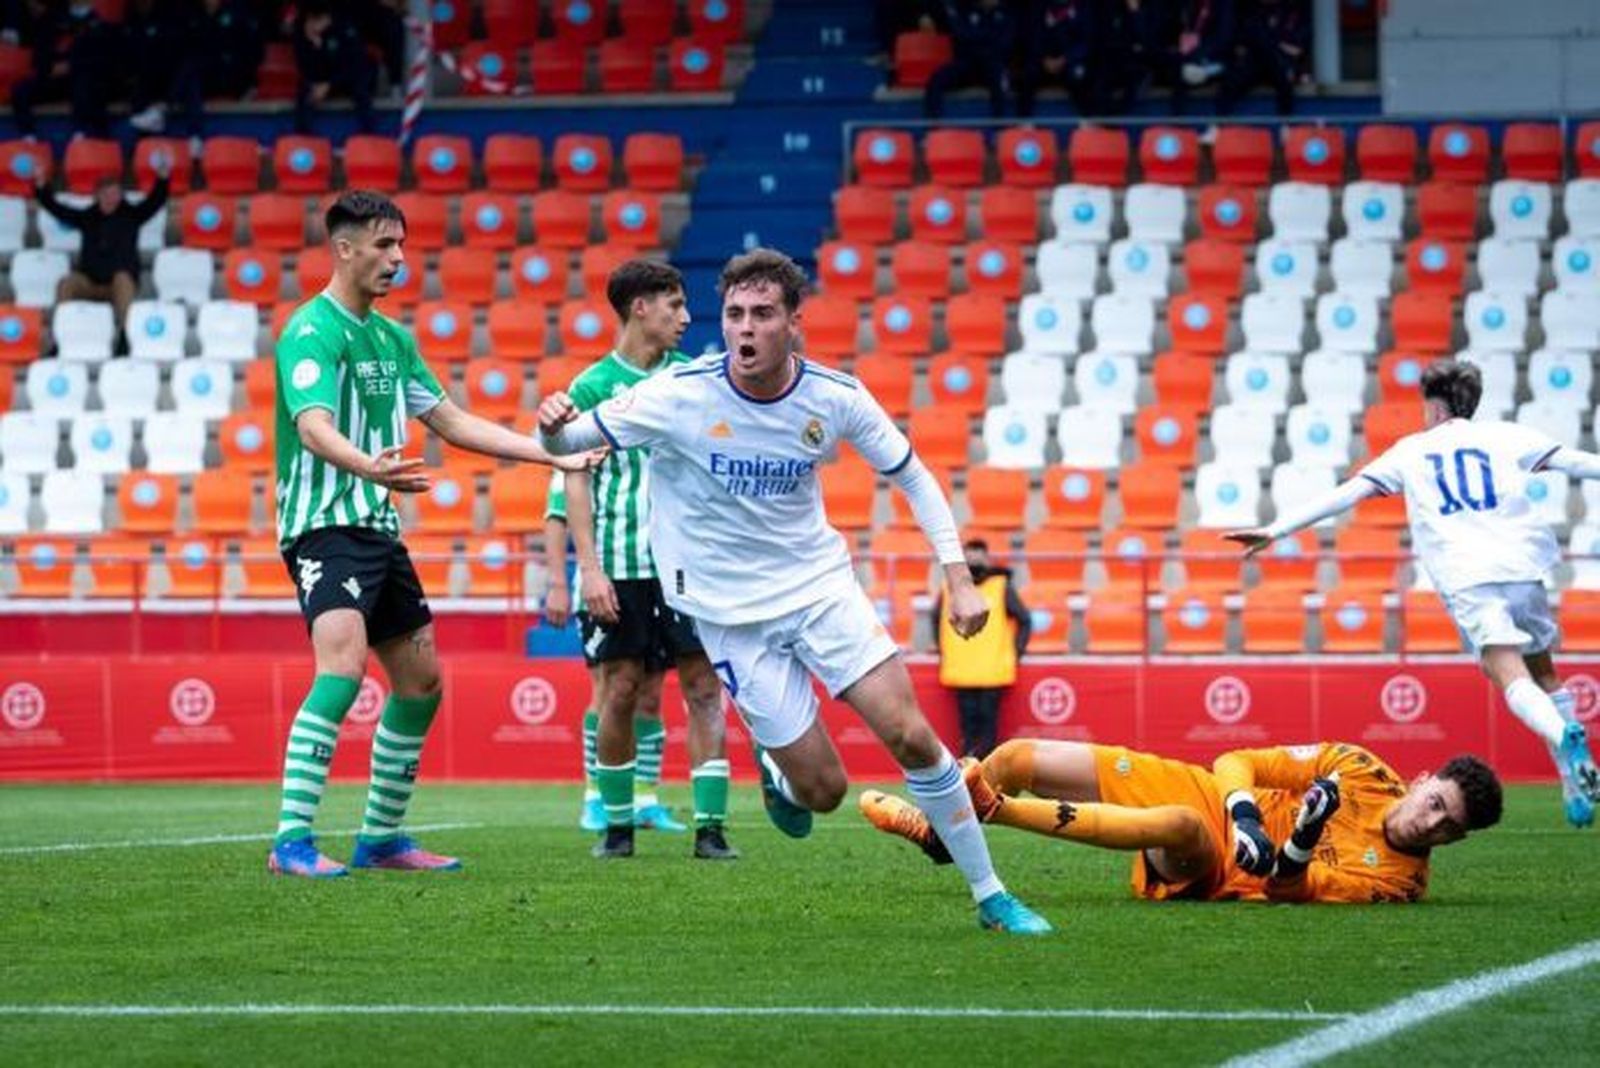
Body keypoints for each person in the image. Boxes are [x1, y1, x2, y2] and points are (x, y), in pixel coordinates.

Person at [538, 248, 1052, 933]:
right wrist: (552, 423)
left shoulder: (833, 397)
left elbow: (915, 477)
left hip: (817, 590)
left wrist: (958, 577)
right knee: (823, 793)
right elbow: (567, 441)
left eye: (762, 314)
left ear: (793, 323)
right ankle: (780, 771)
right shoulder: (677, 394)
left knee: (910, 734)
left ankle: (991, 895)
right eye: (733, 315)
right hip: (727, 618)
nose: (745, 329)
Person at [266, 190, 594, 879]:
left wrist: (549, 455)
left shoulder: (392, 339)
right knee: (344, 667)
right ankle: (291, 840)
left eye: (402, 246)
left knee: (421, 684)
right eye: (385, 246)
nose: (399, 260)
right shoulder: (310, 330)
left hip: (379, 531)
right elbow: (313, 426)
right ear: (345, 248)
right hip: (325, 526)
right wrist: (368, 466)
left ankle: (381, 839)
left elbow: (452, 420)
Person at [1226, 360, 1600, 829]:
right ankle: (1572, 778)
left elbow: (1348, 493)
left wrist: (1275, 529)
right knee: (1545, 670)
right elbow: (1577, 462)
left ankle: (1561, 733)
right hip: (1524, 565)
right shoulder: (1507, 435)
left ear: (1435, 408)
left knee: (1502, 666)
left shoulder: (1413, 450)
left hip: (1469, 573)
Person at [863, 737, 1502, 904]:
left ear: (1457, 840)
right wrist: (1245, 810)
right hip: (1210, 796)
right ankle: (942, 833)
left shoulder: (1400, 883)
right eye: (1436, 802)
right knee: (1017, 756)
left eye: (1448, 827)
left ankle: (987, 813)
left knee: (1177, 826)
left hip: (1217, 866)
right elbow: (1237, 759)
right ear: (1422, 781)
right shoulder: (1360, 768)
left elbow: (1289, 890)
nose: (1431, 823)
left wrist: (1301, 839)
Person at [565, 259, 736, 862]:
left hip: (686, 566)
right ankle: (617, 828)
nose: (687, 318)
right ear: (641, 307)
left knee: (703, 688)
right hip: (621, 566)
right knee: (620, 692)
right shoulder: (589, 388)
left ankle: (711, 830)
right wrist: (587, 568)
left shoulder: (694, 381)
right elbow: (574, 481)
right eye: (674, 306)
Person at [34, 155, 171, 334]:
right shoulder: (87, 217)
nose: (112, 198)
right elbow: (57, 210)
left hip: (118, 284)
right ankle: (62, 334)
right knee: (67, 283)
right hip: (90, 282)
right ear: (97, 196)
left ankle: (125, 336)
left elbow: (156, 200)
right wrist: (41, 186)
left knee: (123, 279)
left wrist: (162, 178)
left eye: (116, 194)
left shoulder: (132, 215)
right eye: (107, 194)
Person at [931, 537, 1030, 758]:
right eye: (970, 554)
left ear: (987, 558)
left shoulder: (1000, 586)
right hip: (962, 669)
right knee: (968, 724)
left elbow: (1024, 619)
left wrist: (1015, 653)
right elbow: (935, 619)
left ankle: (986, 771)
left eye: (978, 554)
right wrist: (943, 651)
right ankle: (969, 769)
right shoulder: (949, 588)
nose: (974, 559)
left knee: (987, 724)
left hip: (991, 670)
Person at [10, 0, 116, 139]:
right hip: (54, 79)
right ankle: (29, 137)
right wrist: (49, 68)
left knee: (86, 83)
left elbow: (101, 61)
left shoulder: (99, 23)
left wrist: (71, 66)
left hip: (82, 81)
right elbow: (39, 55)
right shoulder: (52, 20)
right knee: (20, 90)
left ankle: (81, 133)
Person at [163, 0, 262, 143]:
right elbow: (184, 49)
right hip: (207, 77)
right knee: (192, 79)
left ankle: (168, 106)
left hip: (231, 76)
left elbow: (253, 50)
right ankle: (195, 137)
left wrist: (246, 76)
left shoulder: (237, 13)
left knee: (192, 67)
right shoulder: (194, 15)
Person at [293, 0, 377, 135]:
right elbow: (305, 69)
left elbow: (354, 67)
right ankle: (304, 137)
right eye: (311, 20)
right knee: (304, 91)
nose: (314, 24)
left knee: (361, 90)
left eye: (318, 20)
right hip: (320, 80)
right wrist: (315, 47)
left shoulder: (344, 29)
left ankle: (369, 135)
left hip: (344, 80)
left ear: (327, 18)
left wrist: (330, 85)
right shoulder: (302, 33)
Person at [922, 0, 1015, 119]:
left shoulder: (1007, 14)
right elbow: (960, 35)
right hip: (967, 63)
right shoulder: (967, 10)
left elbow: (1005, 44)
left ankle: (1001, 131)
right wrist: (987, 37)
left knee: (1001, 82)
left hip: (993, 64)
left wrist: (976, 39)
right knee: (936, 79)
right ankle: (933, 126)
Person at [1217, 0, 1310, 115]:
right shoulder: (1248, 11)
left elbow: (1297, 49)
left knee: (1279, 70)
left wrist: (1273, 44)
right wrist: (1277, 44)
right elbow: (1239, 44)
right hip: (1255, 64)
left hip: (1280, 65)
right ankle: (1221, 124)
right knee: (1233, 79)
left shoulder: (1293, 11)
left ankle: (1285, 124)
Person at [1016, 0, 1100, 117]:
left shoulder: (1082, 7)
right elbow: (1032, 36)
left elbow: (1086, 41)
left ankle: (1087, 122)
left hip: (1070, 60)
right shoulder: (1040, 7)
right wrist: (1043, 58)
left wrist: (1066, 58)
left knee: (1081, 77)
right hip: (1044, 60)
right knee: (1028, 75)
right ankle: (1023, 122)